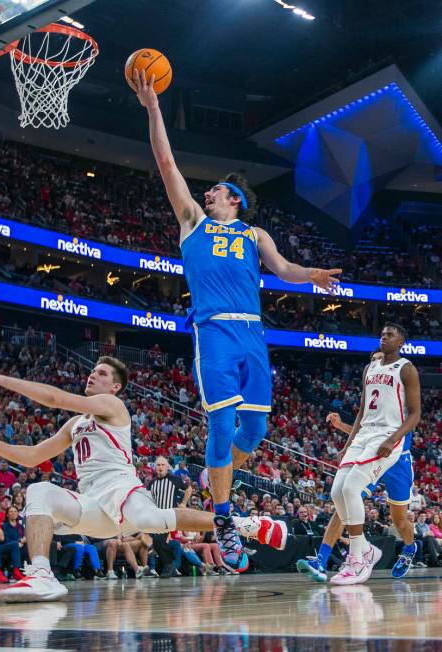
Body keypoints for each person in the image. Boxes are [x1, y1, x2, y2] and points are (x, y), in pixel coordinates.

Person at [132, 67, 340, 572]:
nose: (207, 194)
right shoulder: (192, 223)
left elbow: (285, 268)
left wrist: (309, 273)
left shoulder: (253, 234)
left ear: (236, 200)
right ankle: (223, 519)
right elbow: (165, 162)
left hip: (253, 333)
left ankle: (215, 476)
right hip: (216, 331)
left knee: (253, 434)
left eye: (217, 191)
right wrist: (154, 107)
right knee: (221, 427)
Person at [0, 357, 284, 602]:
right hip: (94, 506)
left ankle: (245, 525)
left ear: (115, 387)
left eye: (101, 373)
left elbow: (55, 399)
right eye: (93, 370)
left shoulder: (112, 405)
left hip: (122, 488)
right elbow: (32, 457)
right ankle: (43, 574)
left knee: (151, 519)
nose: (93, 374)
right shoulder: (75, 425)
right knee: (39, 490)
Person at [298, 349, 419, 582]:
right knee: (343, 498)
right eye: (372, 360)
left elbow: (403, 422)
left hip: (397, 458)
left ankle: (410, 547)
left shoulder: (401, 388)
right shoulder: (373, 391)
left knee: (399, 519)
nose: (376, 364)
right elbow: (367, 429)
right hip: (371, 451)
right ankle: (322, 559)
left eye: (379, 359)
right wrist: (344, 428)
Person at [327, 325, 421, 585]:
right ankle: (364, 549)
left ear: (401, 341)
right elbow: (362, 412)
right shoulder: (369, 369)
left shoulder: (406, 369)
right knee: (339, 492)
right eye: (382, 333)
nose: (384, 337)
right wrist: (348, 443)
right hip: (367, 437)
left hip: (392, 445)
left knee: (397, 517)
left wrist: (392, 439)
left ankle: (370, 555)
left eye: (390, 334)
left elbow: (415, 413)